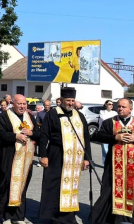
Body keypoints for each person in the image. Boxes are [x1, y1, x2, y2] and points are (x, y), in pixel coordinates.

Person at [91, 98, 134, 224]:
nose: (120, 109)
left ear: (130, 108)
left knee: (131, 192)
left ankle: (126, 219)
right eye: (118, 106)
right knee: (108, 191)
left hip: (133, 167)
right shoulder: (109, 122)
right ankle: (107, 219)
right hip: (113, 166)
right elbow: (97, 136)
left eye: (123, 107)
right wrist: (115, 137)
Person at [39, 87, 91, 223]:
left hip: (74, 158)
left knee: (71, 187)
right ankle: (54, 216)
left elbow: (85, 137)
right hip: (56, 155)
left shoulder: (79, 116)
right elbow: (44, 135)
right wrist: (43, 155)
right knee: (55, 186)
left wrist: (87, 158)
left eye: (73, 100)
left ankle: (68, 217)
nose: (70, 103)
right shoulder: (52, 114)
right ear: (61, 100)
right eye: (68, 100)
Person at [0, 94, 41, 224]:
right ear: (13, 103)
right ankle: (5, 216)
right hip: (9, 157)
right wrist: (15, 136)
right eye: (20, 104)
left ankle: (18, 216)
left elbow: (39, 134)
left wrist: (32, 133)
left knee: (22, 186)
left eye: (24, 104)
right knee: (7, 185)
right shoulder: (4, 116)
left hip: (26, 159)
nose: (22, 107)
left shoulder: (29, 116)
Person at [98, 100, 117, 165]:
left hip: (112, 133)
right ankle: (105, 163)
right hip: (104, 132)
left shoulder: (114, 113)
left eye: (112, 104)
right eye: (109, 104)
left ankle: (111, 163)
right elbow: (104, 120)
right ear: (106, 105)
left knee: (112, 149)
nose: (111, 105)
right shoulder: (102, 112)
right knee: (105, 149)